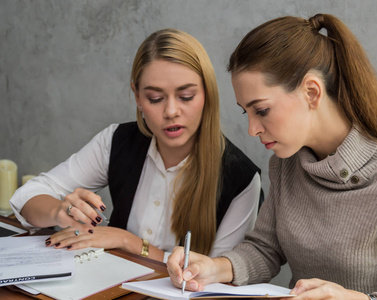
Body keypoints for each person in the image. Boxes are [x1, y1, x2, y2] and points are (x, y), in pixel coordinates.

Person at [167, 14, 377, 299]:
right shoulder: (285, 164)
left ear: (312, 92)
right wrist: (214, 267)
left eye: (262, 110)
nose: (252, 129)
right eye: (247, 112)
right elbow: (265, 248)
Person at [10, 28, 262, 263]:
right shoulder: (116, 141)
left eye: (186, 97)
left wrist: (127, 241)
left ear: (207, 94)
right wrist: (59, 211)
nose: (171, 111)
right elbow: (26, 196)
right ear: (138, 97)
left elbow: (217, 280)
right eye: (155, 98)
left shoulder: (241, 178)